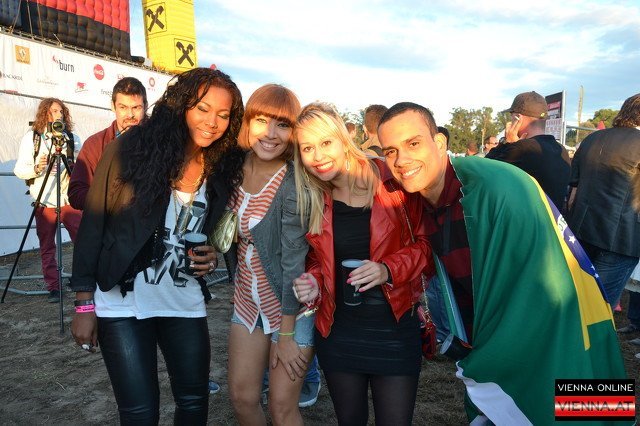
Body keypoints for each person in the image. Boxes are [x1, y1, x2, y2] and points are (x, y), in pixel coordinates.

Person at [377, 102, 628, 425]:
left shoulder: (494, 187)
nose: (401, 160)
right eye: (391, 151)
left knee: (569, 402)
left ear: (439, 142)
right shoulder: (419, 198)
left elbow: (539, 285)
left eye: (413, 144)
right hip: (493, 320)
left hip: (555, 316)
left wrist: (488, 353)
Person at [69, 68, 245, 425]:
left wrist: (212, 254)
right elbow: (93, 224)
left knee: (194, 403)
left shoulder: (221, 165)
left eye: (223, 115)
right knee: (139, 413)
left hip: (184, 302)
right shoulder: (131, 148)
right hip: (123, 304)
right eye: (202, 108)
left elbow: (210, 229)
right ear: (182, 105)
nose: (212, 122)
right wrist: (84, 304)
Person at [291, 103, 430, 425]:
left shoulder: (392, 178)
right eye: (307, 148)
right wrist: (312, 280)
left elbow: (426, 246)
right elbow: (317, 259)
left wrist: (388, 269)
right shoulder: (314, 194)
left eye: (326, 142)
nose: (318, 156)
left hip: (395, 328)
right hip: (338, 331)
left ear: (343, 140)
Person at [226, 84, 314, 426]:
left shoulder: (294, 180)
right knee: (242, 398)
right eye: (262, 120)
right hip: (247, 300)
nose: (271, 134)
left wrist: (286, 334)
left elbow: (294, 261)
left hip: (291, 307)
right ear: (248, 122)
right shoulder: (233, 167)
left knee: (281, 408)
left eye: (283, 124)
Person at [566, 93, 640, 308]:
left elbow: (572, 194)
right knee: (599, 309)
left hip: (581, 234)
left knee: (577, 300)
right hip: (622, 241)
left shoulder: (591, 139)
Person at [13, 98, 83, 303]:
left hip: (69, 200)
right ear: (45, 113)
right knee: (47, 246)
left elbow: (83, 167)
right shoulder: (33, 138)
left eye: (61, 111)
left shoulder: (72, 138)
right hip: (44, 200)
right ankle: (53, 286)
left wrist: (72, 164)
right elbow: (19, 170)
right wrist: (37, 168)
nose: (58, 115)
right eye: (54, 111)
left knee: (83, 241)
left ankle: (81, 279)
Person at [69, 77, 147, 210]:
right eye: (123, 107)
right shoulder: (95, 144)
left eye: (136, 107)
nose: (130, 115)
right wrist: (111, 201)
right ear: (113, 106)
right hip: (105, 221)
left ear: (145, 106)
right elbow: (76, 193)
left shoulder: (158, 144)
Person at [486, 91, 570, 209]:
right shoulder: (562, 150)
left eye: (511, 116)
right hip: (553, 219)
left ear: (518, 118)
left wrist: (506, 143)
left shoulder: (522, 149)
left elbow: (484, 171)